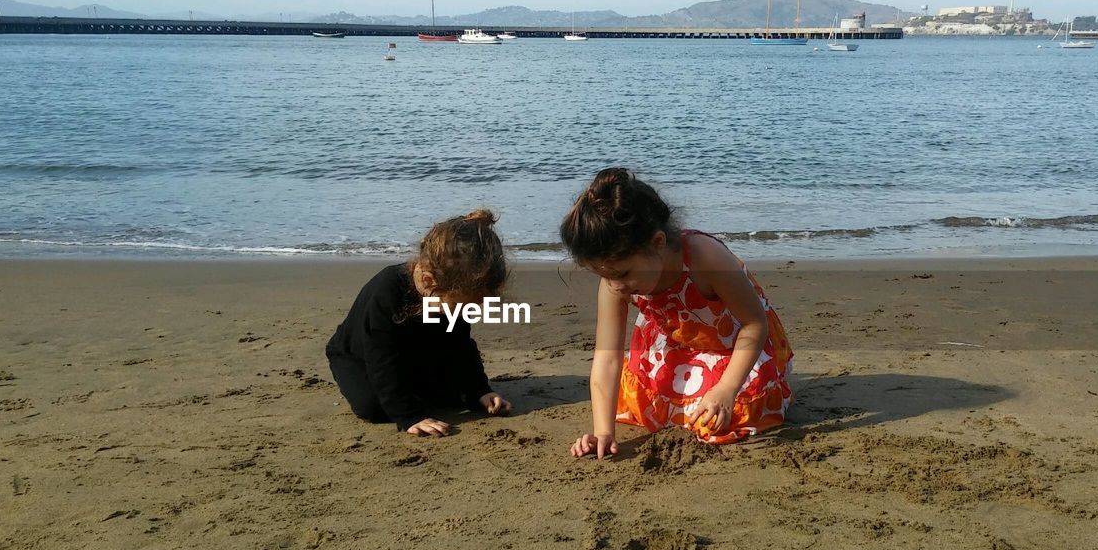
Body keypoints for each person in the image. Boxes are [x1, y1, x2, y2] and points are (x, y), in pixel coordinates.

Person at [560, 168, 793, 457]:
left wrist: (726, 389)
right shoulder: (614, 278)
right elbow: (607, 357)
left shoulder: (704, 257)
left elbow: (755, 324)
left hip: (739, 346)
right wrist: (603, 432)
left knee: (725, 418)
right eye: (605, 276)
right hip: (677, 343)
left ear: (657, 243)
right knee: (644, 403)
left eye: (623, 274)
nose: (615, 286)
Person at [326, 209, 512, 437]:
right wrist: (409, 416)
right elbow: (381, 359)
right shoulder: (387, 292)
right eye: (460, 307)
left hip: (418, 350)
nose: (466, 312)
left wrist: (480, 390)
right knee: (373, 407)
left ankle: (422, 386)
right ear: (428, 282)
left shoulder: (453, 296)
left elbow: (461, 345)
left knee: (450, 393)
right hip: (360, 357)